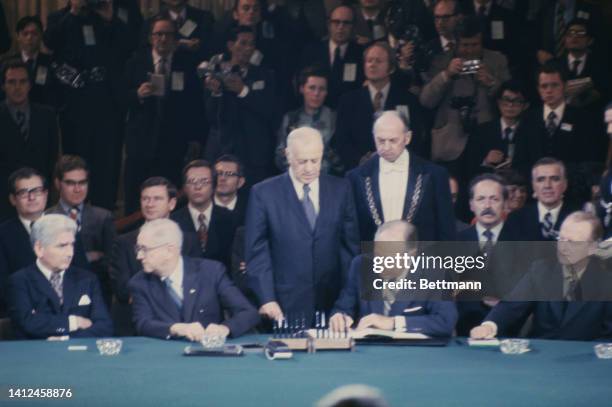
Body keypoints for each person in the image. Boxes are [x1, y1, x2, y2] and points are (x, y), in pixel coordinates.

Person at [245, 127, 359, 324]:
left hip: (333, 306)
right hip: (283, 305)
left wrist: (347, 303)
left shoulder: (341, 189)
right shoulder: (263, 194)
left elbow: (350, 249)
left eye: (315, 160)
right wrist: (267, 298)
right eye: (302, 161)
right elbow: (257, 252)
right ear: (287, 155)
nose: (309, 168)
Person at [470, 211, 612, 341]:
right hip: (541, 355)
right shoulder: (541, 271)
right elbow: (511, 306)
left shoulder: (606, 283)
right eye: (561, 239)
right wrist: (489, 326)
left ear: (592, 247)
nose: (563, 247)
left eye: (572, 242)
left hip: (585, 360)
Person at [44, 0, 131, 210]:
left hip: (107, 108)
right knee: (75, 164)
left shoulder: (105, 15)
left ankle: (105, 217)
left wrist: (109, 19)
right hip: (74, 109)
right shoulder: (59, 18)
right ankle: (74, 214)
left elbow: (127, 46)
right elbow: (49, 42)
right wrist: (73, 13)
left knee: (107, 167)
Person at [123, 15, 204, 214]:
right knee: (136, 197)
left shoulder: (186, 64)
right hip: (140, 142)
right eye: (158, 34)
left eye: (168, 34)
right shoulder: (135, 61)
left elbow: (195, 104)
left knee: (170, 196)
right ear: (151, 38)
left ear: (176, 39)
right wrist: (137, 95)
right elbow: (118, 98)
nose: (163, 39)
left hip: (173, 143)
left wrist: (195, 138)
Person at [128, 218, 258, 340]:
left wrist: (225, 328)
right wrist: (176, 328)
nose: (139, 256)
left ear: (169, 250)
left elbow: (248, 312)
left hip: (207, 355)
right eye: (138, 249)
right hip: (166, 356)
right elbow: (143, 323)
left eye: (145, 249)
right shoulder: (140, 283)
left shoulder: (210, 272)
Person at [329, 220, 458, 337]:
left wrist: (393, 323)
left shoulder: (434, 273)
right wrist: (340, 317)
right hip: (368, 354)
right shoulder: (360, 265)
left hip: (414, 356)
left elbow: (445, 321)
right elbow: (344, 307)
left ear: (411, 255)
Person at [420, 16, 510, 180]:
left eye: (475, 45)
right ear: (456, 43)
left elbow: (511, 99)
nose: (470, 50)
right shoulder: (441, 60)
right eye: (465, 45)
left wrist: (491, 82)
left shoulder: (497, 61)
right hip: (449, 141)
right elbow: (426, 101)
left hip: (485, 138)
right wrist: (446, 75)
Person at [109, 177, 202, 335]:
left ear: (172, 203)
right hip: (138, 327)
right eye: (145, 199)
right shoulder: (123, 242)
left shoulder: (189, 240)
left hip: (185, 323)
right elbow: (123, 290)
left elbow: (197, 284)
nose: (150, 204)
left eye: (157, 199)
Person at [347, 111, 455, 242]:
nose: (386, 147)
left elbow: (446, 229)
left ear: (407, 137)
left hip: (423, 259)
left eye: (393, 140)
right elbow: (352, 232)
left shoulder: (435, 175)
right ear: (373, 137)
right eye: (381, 140)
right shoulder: (356, 178)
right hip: (373, 259)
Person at [0, 168, 89, 317]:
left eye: (37, 191)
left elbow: (83, 275)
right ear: (13, 199)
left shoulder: (66, 226)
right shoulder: (3, 234)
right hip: (22, 314)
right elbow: (3, 284)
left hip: (69, 312)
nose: (32, 197)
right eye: (23, 192)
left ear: (46, 194)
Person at [8, 214, 112, 339]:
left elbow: (104, 326)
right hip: (36, 354)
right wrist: (73, 322)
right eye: (62, 246)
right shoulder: (20, 281)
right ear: (39, 249)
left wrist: (66, 339)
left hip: (79, 353)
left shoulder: (87, 279)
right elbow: (28, 323)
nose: (70, 253)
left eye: (72, 245)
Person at [204, 25, 278, 187]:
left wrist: (243, 91)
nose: (248, 48)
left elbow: (270, 110)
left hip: (254, 154)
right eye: (243, 43)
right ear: (231, 46)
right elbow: (210, 117)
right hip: (222, 151)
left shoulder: (265, 75)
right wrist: (216, 93)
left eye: (251, 44)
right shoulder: (216, 74)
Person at [333, 42, 425, 170]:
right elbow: (341, 140)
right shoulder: (348, 101)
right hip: (358, 172)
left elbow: (415, 137)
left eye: (378, 61)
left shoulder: (408, 100)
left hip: (398, 170)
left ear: (391, 68)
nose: (372, 65)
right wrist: (360, 161)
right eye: (369, 61)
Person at [46, 155, 115, 305]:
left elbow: (112, 261)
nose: (77, 189)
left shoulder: (103, 217)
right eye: (70, 183)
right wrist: (86, 257)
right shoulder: (46, 218)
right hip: (56, 295)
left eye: (82, 183)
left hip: (96, 295)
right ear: (58, 183)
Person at [513, 64, 603, 178]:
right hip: (535, 189)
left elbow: (591, 160)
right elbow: (519, 162)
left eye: (554, 85)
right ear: (538, 89)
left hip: (574, 187)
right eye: (544, 86)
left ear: (565, 86)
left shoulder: (583, 119)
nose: (549, 90)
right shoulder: (528, 119)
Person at [456, 173, 517, 334]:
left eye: (494, 199)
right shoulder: (455, 243)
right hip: (463, 333)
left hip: (510, 332)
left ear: (505, 204)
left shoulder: (523, 241)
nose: (487, 205)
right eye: (481, 199)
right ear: (471, 205)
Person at [0, 60, 59, 221]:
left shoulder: (47, 116)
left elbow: (52, 157)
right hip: (3, 201)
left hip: (39, 199)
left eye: (22, 81)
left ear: (30, 85)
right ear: (3, 86)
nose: (17, 87)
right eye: (11, 82)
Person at [275, 66, 342, 175]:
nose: (316, 94)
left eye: (321, 89)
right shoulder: (290, 118)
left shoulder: (335, 118)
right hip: (297, 178)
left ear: (326, 92)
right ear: (302, 88)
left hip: (328, 178)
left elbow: (343, 159)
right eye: (312, 88)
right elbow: (278, 158)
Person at [171, 160, 237, 267]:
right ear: (184, 188)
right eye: (192, 181)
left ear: (214, 186)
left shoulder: (231, 219)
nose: (198, 187)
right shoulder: (172, 222)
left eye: (204, 181)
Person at [299, 5, 364, 108]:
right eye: (336, 22)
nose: (340, 27)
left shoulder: (361, 53)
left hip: (349, 110)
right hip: (317, 111)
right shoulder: (312, 51)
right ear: (329, 24)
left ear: (353, 27)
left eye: (346, 23)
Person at [465, 80, 529, 178]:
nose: (510, 105)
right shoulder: (481, 132)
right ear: (498, 103)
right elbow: (469, 168)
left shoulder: (531, 132)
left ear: (525, 105)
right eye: (506, 100)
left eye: (516, 101)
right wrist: (486, 161)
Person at [506, 158, 576, 242]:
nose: (547, 185)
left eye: (554, 179)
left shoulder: (579, 219)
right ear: (533, 185)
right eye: (541, 180)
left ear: (565, 184)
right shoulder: (515, 219)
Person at [0, 16, 57, 107]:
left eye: (34, 34)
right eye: (25, 34)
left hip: (42, 113)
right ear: (18, 36)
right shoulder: (6, 63)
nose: (29, 38)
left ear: (41, 36)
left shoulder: (51, 62)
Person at [142, 0, 215, 60]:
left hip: (195, 72)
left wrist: (199, 46)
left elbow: (213, 48)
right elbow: (144, 53)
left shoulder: (204, 18)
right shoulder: (152, 22)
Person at [214, 154, 248, 226]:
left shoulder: (250, 210)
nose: (222, 178)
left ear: (240, 182)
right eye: (219, 173)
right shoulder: (201, 206)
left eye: (229, 174)